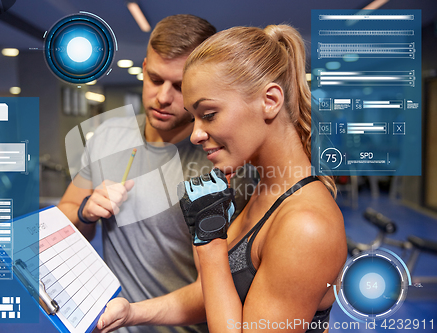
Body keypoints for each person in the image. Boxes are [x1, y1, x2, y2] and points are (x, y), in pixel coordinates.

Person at [97, 24, 346, 333]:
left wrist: (210, 245)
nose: (197, 134)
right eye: (193, 117)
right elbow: (217, 293)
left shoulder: (306, 225)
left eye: (209, 114)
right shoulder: (268, 190)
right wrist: (132, 313)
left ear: (269, 101)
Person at [58, 14, 256, 333]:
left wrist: (134, 313)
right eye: (154, 79)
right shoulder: (109, 134)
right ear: (145, 66)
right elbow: (65, 217)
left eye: (179, 86)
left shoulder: (223, 165)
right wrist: (85, 212)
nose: (163, 97)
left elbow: (217, 288)